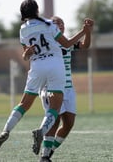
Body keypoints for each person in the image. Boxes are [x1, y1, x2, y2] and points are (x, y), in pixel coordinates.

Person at [0, 0, 91, 155]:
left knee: (24, 103)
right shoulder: (48, 26)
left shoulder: (23, 29)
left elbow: (26, 55)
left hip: (36, 67)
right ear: (37, 10)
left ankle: (6, 130)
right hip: (55, 67)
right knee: (54, 110)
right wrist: (84, 31)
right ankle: (41, 133)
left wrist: (26, 54)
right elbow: (66, 43)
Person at [38, 16, 94, 162]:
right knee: (54, 120)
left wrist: (87, 32)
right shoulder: (48, 44)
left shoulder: (67, 42)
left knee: (69, 123)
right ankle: (44, 156)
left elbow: (85, 46)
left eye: (62, 23)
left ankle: (50, 150)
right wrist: (83, 30)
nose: (61, 25)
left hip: (68, 88)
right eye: (57, 23)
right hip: (52, 88)